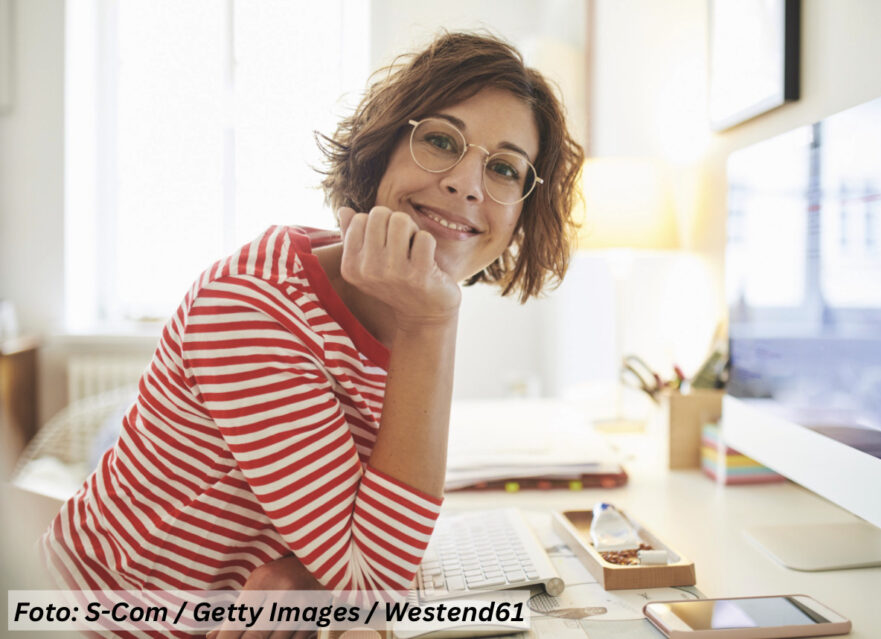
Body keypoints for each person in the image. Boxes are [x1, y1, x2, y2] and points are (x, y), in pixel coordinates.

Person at [41, 30, 583, 604]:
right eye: (443, 141)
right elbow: (372, 588)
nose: (465, 184)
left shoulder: (402, 298)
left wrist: (309, 572)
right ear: (380, 152)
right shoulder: (252, 307)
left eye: (504, 169)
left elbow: (369, 537)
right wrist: (433, 326)